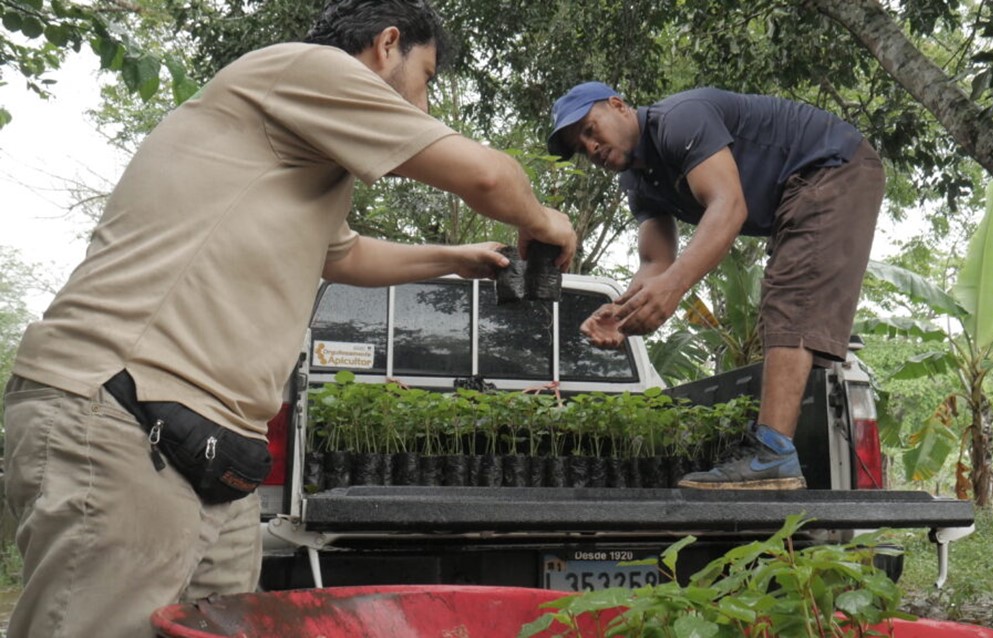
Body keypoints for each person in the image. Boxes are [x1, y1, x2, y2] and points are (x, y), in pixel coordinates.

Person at [1, 1, 576, 636]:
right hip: (125, 408)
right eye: (429, 75)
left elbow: (344, 253)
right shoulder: (306, 70)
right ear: (388, 45)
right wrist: (545, 220)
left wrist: (454, 258)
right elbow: (488, 177)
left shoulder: (305, 151)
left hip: (212, 449)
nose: (427, 103)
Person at [548, 82, 883, 491]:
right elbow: (656, 261)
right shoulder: (637, 184)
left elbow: (729, 206)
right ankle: (773, 450)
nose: (590, 147)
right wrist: (622, 313)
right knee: (788, 306)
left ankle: (774, 454)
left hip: (831, 165)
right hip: (798, 190)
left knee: (792, 297)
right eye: (580, 147)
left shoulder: (679, 120)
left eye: (588, 129)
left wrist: (673, 288)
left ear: (619, 107)